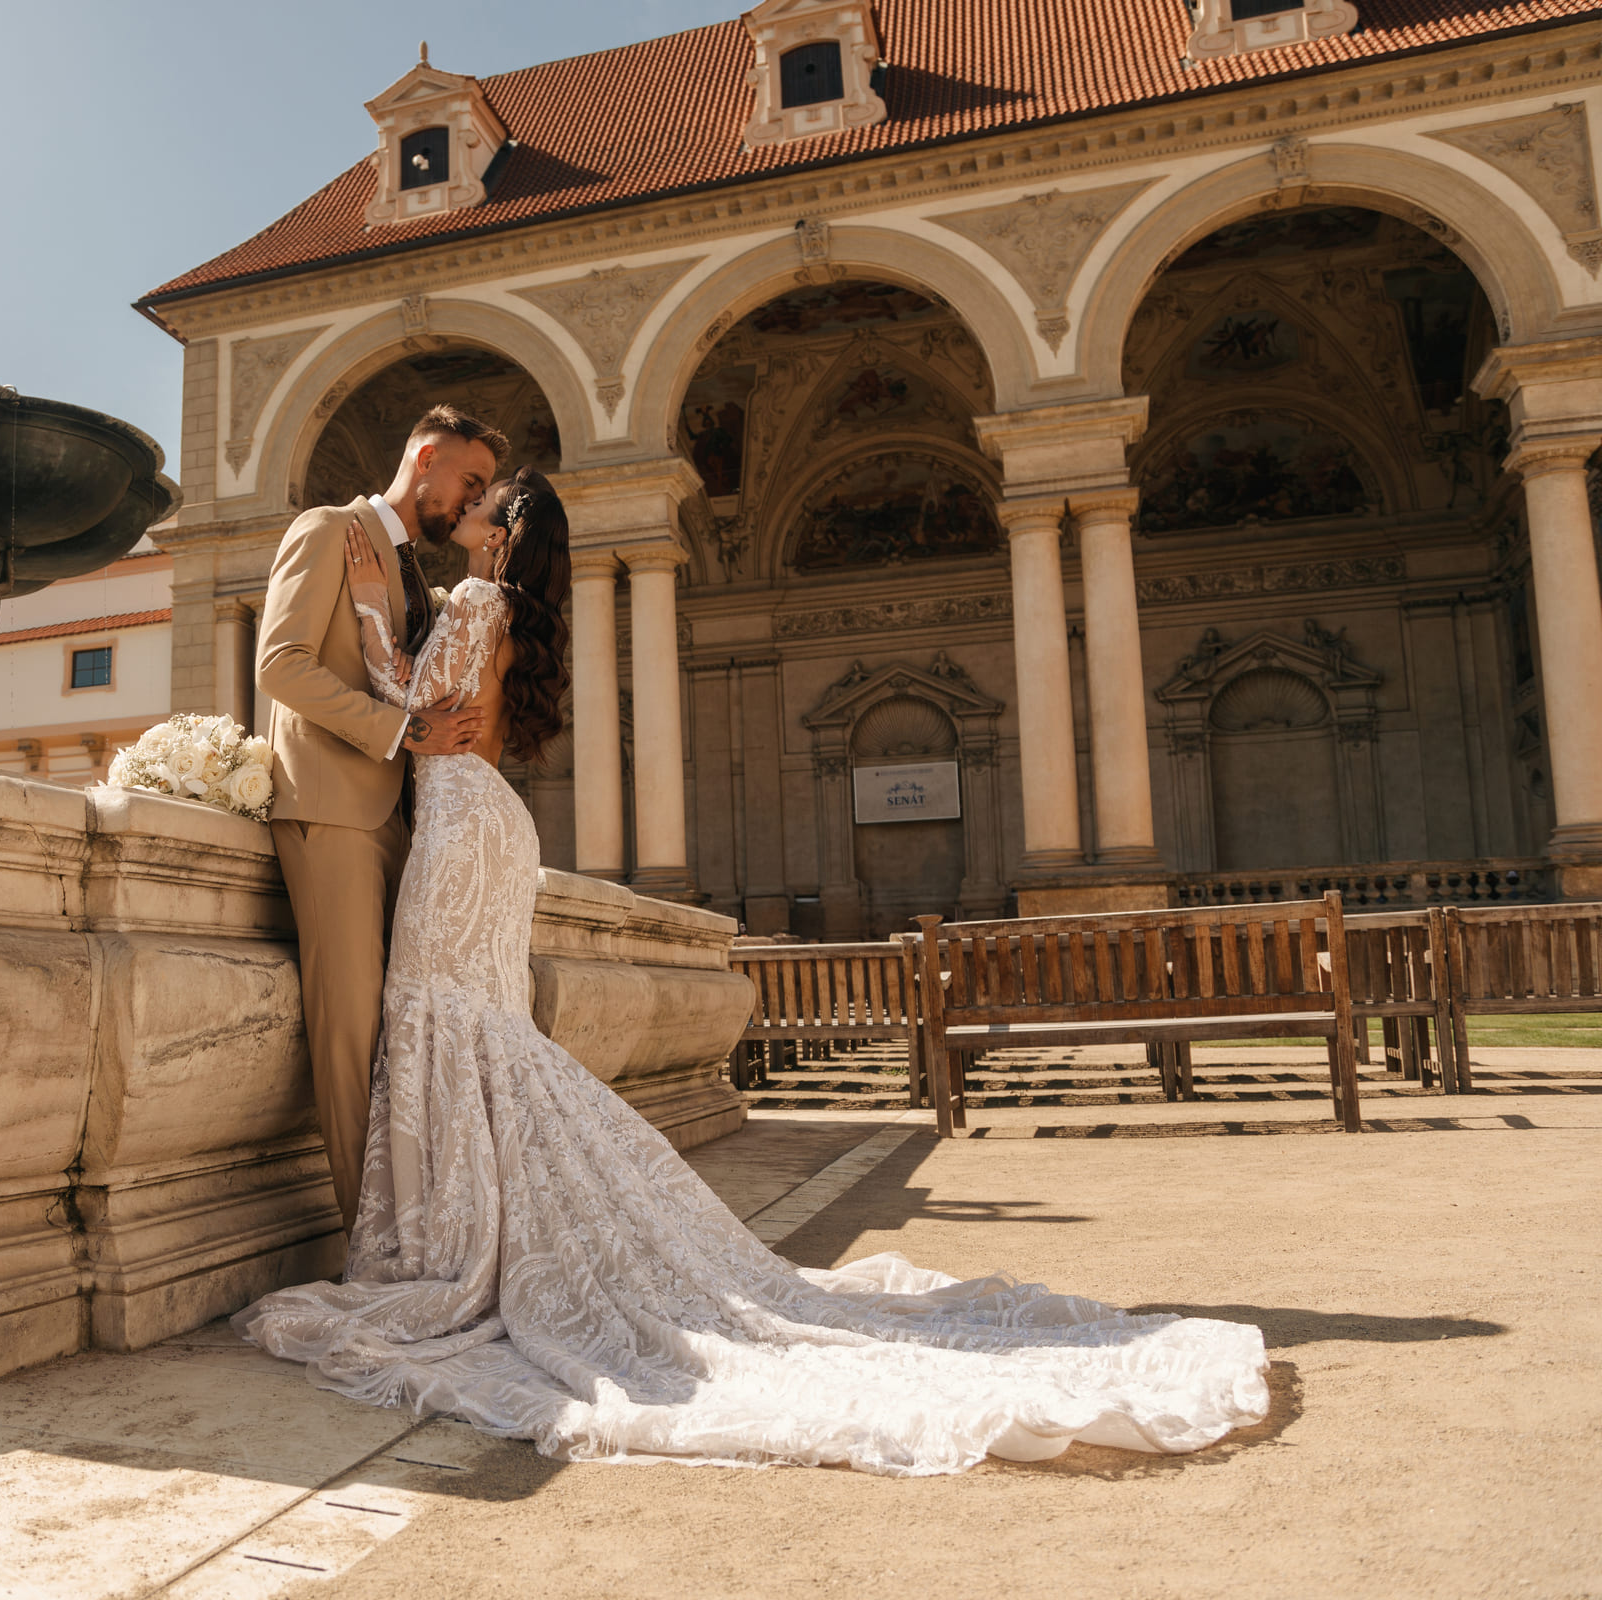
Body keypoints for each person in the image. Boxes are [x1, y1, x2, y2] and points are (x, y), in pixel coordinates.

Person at [234, 468, 1271, 1476]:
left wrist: (364, 619)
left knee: (441, 1024)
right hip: (496, 828)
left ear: (500, 532)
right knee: (486, 1038)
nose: (462, 509)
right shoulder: (515, 614)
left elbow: (410, 702)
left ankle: (448, 1254)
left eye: (481, 502)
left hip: (455, 830)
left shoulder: (466, 599)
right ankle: (477, 1241)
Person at [253, 405, 506, 1230]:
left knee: (402, 1029)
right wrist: (404, 730)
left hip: (399, 817)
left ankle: (421, 1216)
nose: (470, 501)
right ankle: (375, 1240)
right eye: (468, 482)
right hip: (330, 807)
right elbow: (280, 665)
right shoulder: (328, 530)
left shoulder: (407, 572)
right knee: (350, 1028)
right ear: (424, 457)